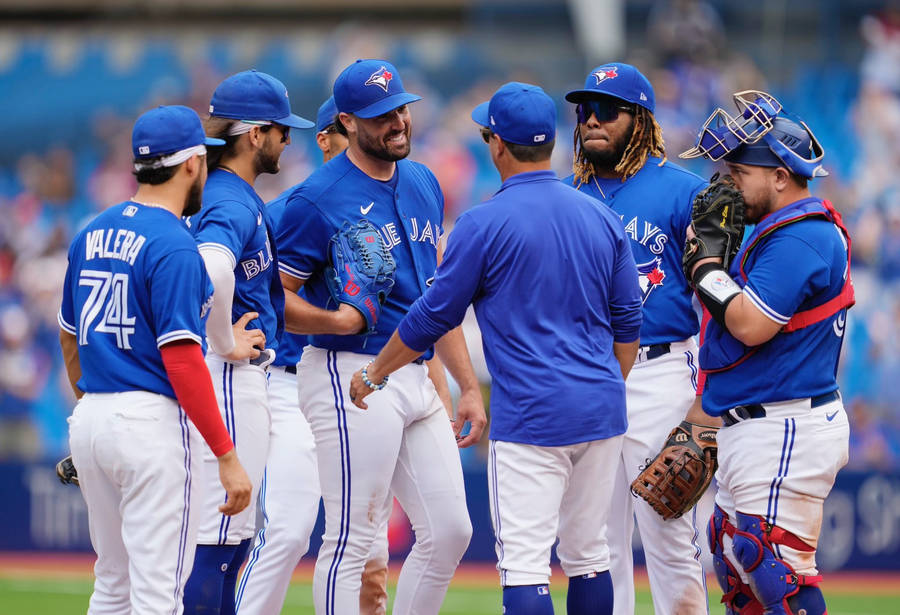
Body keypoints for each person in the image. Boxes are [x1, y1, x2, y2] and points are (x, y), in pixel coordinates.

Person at [349, 81, 643, 615]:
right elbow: (629, 322)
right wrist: (606, 384)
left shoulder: (482, 223)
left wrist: (375, 373)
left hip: (532, 414)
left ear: (498, 145)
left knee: (527, 565)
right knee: (589, 555)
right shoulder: (601, 215)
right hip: (602, 407)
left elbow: (433, 315)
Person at [275, 59, 486, 615]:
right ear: (346, 121)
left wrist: (464, 383)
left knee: (450, 531)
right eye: (379, 115)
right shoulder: (314, 199)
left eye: (401, 108)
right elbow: (277, 298)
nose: (397, 122)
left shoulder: (420, 181)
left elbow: (437, 296)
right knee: (351, 539)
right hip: (349, 375)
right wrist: (335, 321)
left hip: (416, 372)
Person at [57, 105, 252, 615]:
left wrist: (95, 410)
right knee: (157, 595)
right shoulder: (175, 244)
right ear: (191, 163)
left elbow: (68, 336)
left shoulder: (90, 231)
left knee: (112, 586)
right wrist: (227, 457)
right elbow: (184, 360)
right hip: (148, 424)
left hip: (92, 416)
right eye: (203, 160)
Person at [680, 91, 851, 615]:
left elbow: (750, 326)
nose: (727, 183)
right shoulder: (775, 233)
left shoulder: (803, 236)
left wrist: (707, 269)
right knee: (737, 563)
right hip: (760, 424)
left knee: (770, 564)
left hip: (786, 425)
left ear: (781, 175)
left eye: (739, 171)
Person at [563, 62, 713, 615]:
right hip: (588, 374)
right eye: (584, 110)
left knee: (669, 531)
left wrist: (708, 397)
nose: (593, 120)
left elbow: (718, 303)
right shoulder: (565, 194)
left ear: (641, 119)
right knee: (593, 540)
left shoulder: (686, 192)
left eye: (608, 109)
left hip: (660, 372)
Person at [235, 95, 391, 615]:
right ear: (327, 138)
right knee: (287, 529)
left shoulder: (385, 214)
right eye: (351, 136)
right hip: (283, 378)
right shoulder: (283, 212)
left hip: (357, 384)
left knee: (369, 549)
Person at [182, 70, 313, 615]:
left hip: (219, 372)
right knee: (220, 538)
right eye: (282, 130)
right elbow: (212, 270)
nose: (289, 139)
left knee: (225, 540)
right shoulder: (230, 200)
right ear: (255, 134)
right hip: (229, 374)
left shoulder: (213, 191)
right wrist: (223, 342)